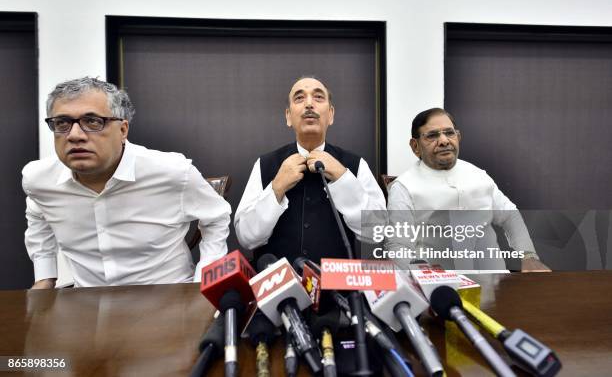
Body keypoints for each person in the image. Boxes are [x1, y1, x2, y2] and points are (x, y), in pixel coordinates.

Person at [23, 77, 231, 288]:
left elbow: (216, 217)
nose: (75, 135)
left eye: (93, 121)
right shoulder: (38, 179)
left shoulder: (173, 171)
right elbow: (37, 215)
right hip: (87, 304)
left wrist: (203, 281)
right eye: (62, 123)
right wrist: (44, 278)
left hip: (169, 300)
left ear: (122, 130)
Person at [234, 76, 386, 263]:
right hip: (278, 285)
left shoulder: (355, 164)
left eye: (318, 97)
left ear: (330, 115)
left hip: (340, 287)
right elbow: (246, 238)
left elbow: (377, 231)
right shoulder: (265, 164)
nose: (308, 104)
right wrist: (277, 187)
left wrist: (342, 177)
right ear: (289, 116)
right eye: (299, 98)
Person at [386, 108, 550, 272]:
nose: (444, 141)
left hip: (495, 284)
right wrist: (427, 280)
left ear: (458, 137)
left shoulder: (478, 175)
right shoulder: (404, 187)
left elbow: (509, 215)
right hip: (442, 287)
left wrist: (529, 257)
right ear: (415, 146)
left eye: (449, 133)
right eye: (432, 135)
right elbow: (398, 246)